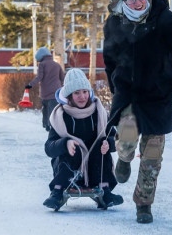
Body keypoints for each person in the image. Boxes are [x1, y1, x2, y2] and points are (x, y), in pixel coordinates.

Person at [103, 0, 172, 223]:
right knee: (125, 140)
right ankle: (124, 159)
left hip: (158, 97)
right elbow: (110, 60)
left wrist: (170, 82)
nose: (137, 2)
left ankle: (143, 204)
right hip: (128, 96)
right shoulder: (113, 24)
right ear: (122, 0)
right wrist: (116, 84)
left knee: (153, 155)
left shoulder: (165, 21)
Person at [42, 68, 123, 211]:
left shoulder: (99, 112)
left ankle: (105, 191)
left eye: (85, 92)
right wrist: (64, 143)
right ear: (69, 95)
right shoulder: (60, 116)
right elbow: (49, 148)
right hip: (70, 174)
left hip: (95, 172)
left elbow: (115, 138)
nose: (82, 96)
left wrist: (108, 143)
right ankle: (57, 191)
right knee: (73, 148)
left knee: (100, 145)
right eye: (76, 93)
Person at [25, 47, 64, 132]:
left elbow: (39, 77)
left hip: (45, 93)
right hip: (56, 92)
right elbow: (62, 77)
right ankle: (52, 125)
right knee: (53, 110)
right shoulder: (57, 65)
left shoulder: (42, 65)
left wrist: (30, 85)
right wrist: (61, 87)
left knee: (45, 109)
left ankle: (46, 124)